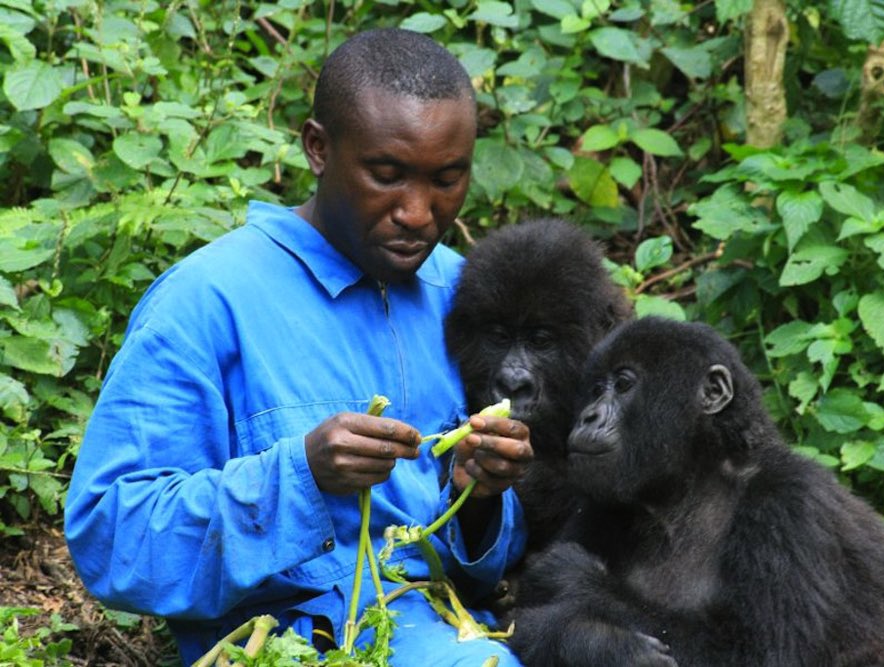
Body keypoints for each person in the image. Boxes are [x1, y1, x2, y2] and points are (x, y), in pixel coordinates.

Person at [64, 28, 533, 666]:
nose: (419, 213)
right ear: (318, 148)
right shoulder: (208, 300)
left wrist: (480, 497)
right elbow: (111, 538)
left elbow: (486, 565)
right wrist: (299, 476)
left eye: (448, 179)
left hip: (458, 631)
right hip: (288, 647)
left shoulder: (462, 290)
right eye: (387, 175)